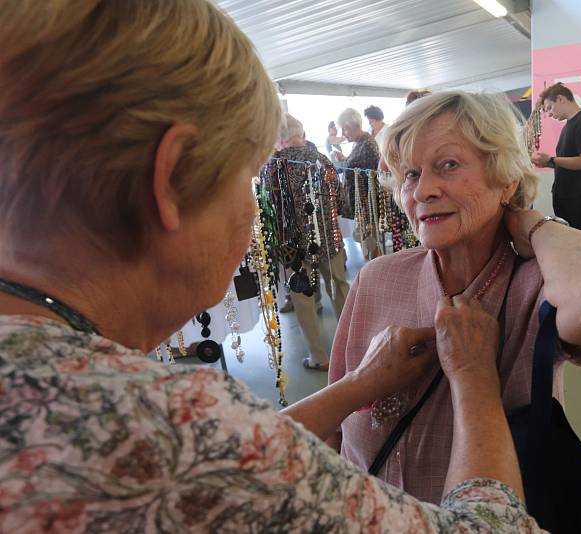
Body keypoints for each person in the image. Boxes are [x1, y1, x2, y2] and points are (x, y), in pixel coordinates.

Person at [0, 2, 549, 531]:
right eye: (245, 178)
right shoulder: (164, 424)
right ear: (169, 180)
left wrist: (537, 229)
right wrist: (474, 376)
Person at [328, 90, 581, 505]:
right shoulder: (377, 279)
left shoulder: (536, 288)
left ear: (506, 178)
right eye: (410, 174)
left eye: (447, 165)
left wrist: (533, 224)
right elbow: (335, 424)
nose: (423, 190)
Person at [269, 114, 350, 371]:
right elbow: (340, 198)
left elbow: (270, 209)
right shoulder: (322, 159)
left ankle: (318, 356)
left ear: (278, 138)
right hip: (328, 237)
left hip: (293, 244)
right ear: (301, 133)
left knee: (302, 297)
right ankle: (352, 345)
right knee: (338, 285)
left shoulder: (273, 166)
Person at [532, 83, 581, 235]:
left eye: (550, 108)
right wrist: (547, 162)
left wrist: (552, 160)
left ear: (560, 99)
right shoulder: (570, 125)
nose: (550, 114)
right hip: (570, 197)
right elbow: (568, 160)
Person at [335, 107, 383, 260]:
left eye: (345, 129)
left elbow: (372, 182)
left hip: (366, 210)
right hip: (362, 208)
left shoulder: (367, 144)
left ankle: (376, 280)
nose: (343, 134)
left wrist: (366, 213)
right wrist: (345, 160)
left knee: (372, 248)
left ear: (355, 125)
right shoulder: (359, 143)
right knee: (368, 249)